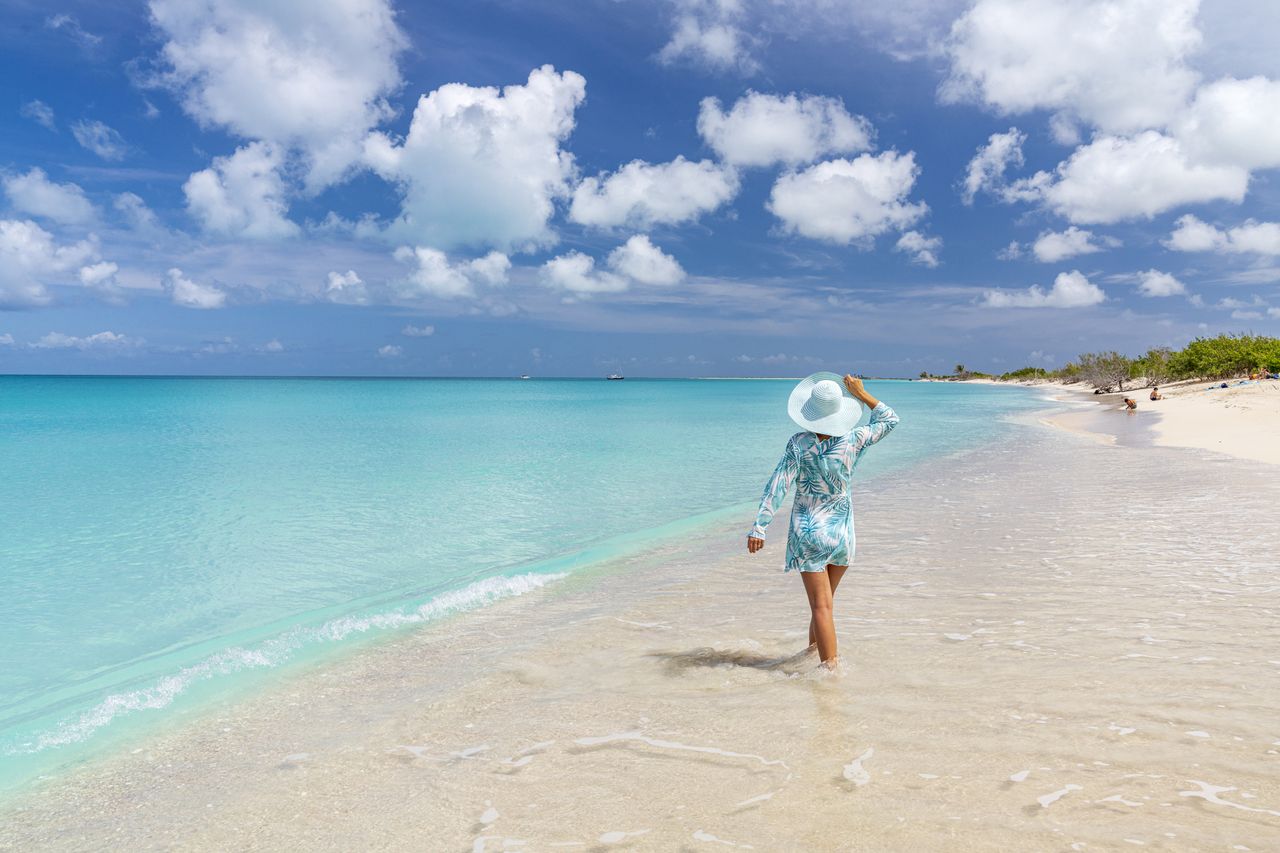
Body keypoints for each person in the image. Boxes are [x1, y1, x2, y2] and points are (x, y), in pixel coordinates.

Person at [746, 372, 899, 669]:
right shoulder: (855, 439)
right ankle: (810, 660)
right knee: (824, 606)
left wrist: (759, 526)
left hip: (809, 533)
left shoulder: (799, 444)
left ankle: (830, 674)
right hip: (842, 533)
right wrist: (861, 393)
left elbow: (778, 485)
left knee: (821, 606)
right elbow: (890, 419)